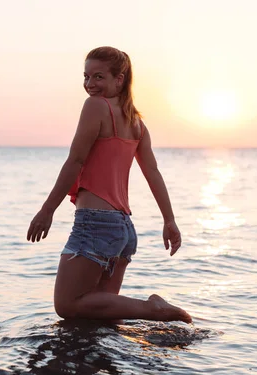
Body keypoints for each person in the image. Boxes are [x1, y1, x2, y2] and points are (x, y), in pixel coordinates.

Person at [26, 46, 192, 324]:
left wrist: (47, 210)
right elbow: (153, 173)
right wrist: (169, 220)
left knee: (67, 305)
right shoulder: (136, 122)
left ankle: (152, 309)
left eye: (99, 77)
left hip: (96, 224)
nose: (90, 85)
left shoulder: (96, 107)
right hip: (123, 230)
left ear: (120, 79)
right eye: (86, 77)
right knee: (98, 317)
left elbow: (75, 162)